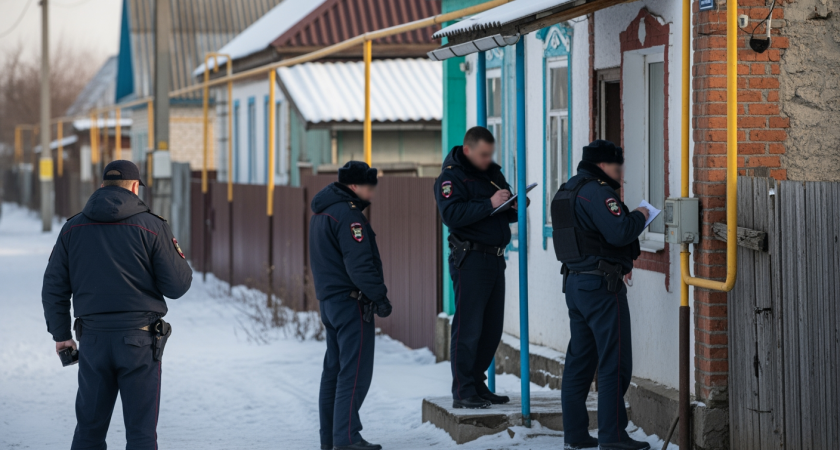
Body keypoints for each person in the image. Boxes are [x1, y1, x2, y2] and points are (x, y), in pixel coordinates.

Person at [42, 160, 192, 449]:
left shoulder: (72, 228)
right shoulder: (152, 226)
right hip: (140, 342)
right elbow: (178, 286)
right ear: (135, 187)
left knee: (89, 431)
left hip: (93, 341)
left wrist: (62, 335)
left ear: (101, 186)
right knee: (141, 434)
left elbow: (53, 288)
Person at [550, 140, 651, 450]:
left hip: (576, 285)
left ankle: (576, 435)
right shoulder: (597, 192)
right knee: (614, 362)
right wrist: (641, 214)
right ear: (605, 165)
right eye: (617, 165)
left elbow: (587, 239)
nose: (621, 171)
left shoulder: (566, 190)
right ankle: (613, 436)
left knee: (580, 361)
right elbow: (620, 231)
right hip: (602, 289)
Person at [434, 126, 527, 409]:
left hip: (495, 258)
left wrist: (513, 206)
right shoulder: (450, 178)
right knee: (469, 327)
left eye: (490, 154)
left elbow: (498, 214)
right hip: (470, 259)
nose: (488, 159)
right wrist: (488, 203)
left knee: (491, 328)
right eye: (483, 154)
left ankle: (477, 383)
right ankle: (463, 391)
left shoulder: (491, 174)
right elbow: (452, 215)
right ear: (467, 150)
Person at [309, 161, 392, 450]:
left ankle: (330, 439)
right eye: (369, 187)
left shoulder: (322, 212)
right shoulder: (348, 215)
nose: (372, 193)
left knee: (333, 371)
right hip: (351, 303)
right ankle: (347, 438)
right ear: (354, 186)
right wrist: (379, 296)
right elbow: (359, 265)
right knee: (354, 373)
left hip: (330, 303)